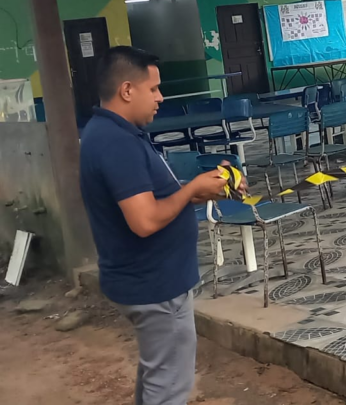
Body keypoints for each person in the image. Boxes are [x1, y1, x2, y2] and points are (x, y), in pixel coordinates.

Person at [79, 46, 232, 405]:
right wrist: (192, 189)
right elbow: (145, 221)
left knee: (157, 377)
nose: (160, 97)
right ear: (127, 90)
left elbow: (152, 201)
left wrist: (202, 190)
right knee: (168, 387)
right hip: (156, 286)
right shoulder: (116, 142)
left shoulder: (113, 133)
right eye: (153, 89)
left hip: (148, 281)